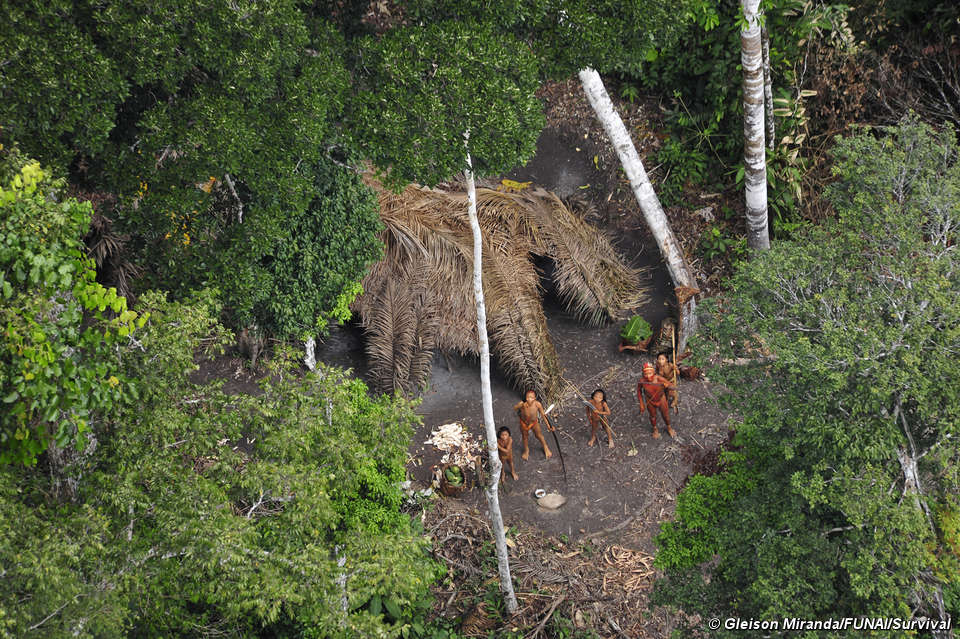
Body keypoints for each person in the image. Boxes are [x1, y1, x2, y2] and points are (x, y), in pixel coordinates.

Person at [637, 361, 676, 439]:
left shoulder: (659, 378)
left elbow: (672, 386)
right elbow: (639, 392)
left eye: (650, 373)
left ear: (654, 373)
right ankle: (655, 429)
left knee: (666, 415)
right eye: (646, 374)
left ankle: (669, 427)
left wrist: (667, 386)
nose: (648, 376)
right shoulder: (642, 381)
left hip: (661, 399)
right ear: (643, 374)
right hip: (650, 401)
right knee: (652, 416)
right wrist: (641, 403)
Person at [513, 390, 553, 460]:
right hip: (524, 423)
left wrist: (549, 426)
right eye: (528, 397)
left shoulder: (537, 404)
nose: (529, 399)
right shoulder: (523, 404)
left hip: (534, 423)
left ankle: (545, 447)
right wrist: (518, 406)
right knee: (525, 437)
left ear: (535, 398)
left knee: (539, 435)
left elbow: (544, 416)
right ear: (525, 398)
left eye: (531, 397)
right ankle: (526, 450)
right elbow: (515, 408)